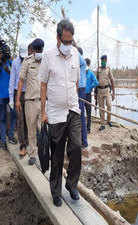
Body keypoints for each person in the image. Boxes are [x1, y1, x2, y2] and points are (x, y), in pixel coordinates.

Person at [39, 19, 82, 207]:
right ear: (57, 38)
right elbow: (43, 84)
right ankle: (55, 192)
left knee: (77, 147)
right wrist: (43, 112)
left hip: (73, 109)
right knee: (56, 155)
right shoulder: (48, 56)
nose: (68, 45)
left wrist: (78, 105)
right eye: (65, 41)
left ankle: (72, 185)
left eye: (70, 41)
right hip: (55, 113)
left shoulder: (75, 55)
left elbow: (75, 83)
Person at [16, 38, 45, 164]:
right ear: (33, 50)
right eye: (37, 49)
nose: (39, 51)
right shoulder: (27, 62)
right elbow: (21, 80)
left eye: (40, 49)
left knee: (43, 129)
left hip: (43, 101)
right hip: (30, 101)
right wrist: (17, 100)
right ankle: (33, 154)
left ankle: (45, 153)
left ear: (42, 49)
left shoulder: (46, 62)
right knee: (31, 129)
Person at [0, 44, 16, 151]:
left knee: (13, 116)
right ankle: (3, 141)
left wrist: (7, 69)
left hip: (10, 95)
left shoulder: (10, 62)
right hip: (0, 95)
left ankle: (10, 136)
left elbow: (14, 75)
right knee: (2, 118)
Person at [9, 45, 29, 156]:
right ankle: (23, 145)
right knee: (20, 120)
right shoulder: (15, 63)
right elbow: (12, 81)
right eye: (22, 57)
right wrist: (11, 98)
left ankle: (28, 141)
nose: (23, 59)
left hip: (29, 94)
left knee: (28, 120)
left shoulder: (31, 62)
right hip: (19, 94)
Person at [74, 46, 88, 149]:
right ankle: (78, 140)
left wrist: (73, 45)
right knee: (75, 115)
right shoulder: (78, 65)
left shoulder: (82, 62)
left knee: (80, 115)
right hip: (76, 89)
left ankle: (84, 141)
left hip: (80, 90)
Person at [97, 54, 115, 131]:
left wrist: (114, 93)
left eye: (104, 61)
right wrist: (95, 93)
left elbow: (112, 80)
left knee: (109, 105)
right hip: (99, 90)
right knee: (101, 108)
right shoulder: (98, 69)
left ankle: (108, 121)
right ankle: (102, 124)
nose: (103, 62)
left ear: (106, 61)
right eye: (102, 61)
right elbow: (96, 80)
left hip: (107, 90)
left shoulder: (108, 69)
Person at [83, 58, 99, 134]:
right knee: (81, 112)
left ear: (88, 65)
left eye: (86, 64)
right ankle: (82, 128)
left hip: (88, 95)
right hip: (81, 95)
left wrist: (90, 87)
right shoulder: (81, 72)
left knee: (88, 112)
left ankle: (88, 128)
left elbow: (96, 82)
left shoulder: (91, 73)